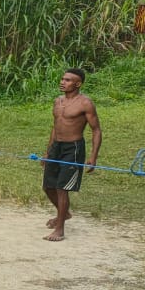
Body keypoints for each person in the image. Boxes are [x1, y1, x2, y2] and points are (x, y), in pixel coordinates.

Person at [42, 68, 101, 242]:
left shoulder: (85, 103)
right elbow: (55, 126)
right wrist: (47, 151)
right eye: (62, 79)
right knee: (48, 187)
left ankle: (59, 229)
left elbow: (96, 130)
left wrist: (93, 157)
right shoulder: (57, 101)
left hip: (73, 148)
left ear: (78, 84)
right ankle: (64, 213)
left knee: (62, 189)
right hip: (56, 147)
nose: (63, 82)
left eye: (67, 80)